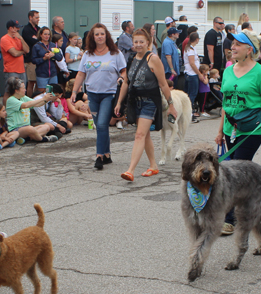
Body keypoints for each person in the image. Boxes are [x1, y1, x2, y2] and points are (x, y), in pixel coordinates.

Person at [215, 29, 261, 235]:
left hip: (252, 130)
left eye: (237, 44)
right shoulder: (228, 70)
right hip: (230, 129)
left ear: (249, 49)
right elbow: (226, 104)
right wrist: (220, 131)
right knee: (230, 171)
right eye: (232, 43)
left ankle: (229, 219)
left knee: (234, 173)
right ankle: (259, 205)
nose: (232, 47)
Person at [114, 29, 177, 182]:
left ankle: (130, 170)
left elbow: (163, 84)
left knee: (139, 135)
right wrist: (119, 102)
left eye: (142, 41)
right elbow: (126, 83)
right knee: (145, 134)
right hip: (135, 101)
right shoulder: (131, 59)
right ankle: (153, 165)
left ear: (148, 43)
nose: (138, 44)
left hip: (150, 101)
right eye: (136, 42)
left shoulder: (153, 59)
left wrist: (171, 105)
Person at [71, 23, 126, 170]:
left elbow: (124, 71)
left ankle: (99, 156)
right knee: (101, 127)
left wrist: (121, 78)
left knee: (101, 125)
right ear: (92, 37)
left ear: (106, 35)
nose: (100, 37)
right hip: (92, 95)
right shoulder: (88, 54)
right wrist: (74, 91)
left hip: (109, 94)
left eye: (102, 34)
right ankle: (107, 154)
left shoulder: (115, 53)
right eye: (97, 34)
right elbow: (81, 73)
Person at [5, 77, 58, 143]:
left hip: (28, 127)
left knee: (47, 126)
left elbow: (37, 104)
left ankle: (26, 139)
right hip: (16, 129)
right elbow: (25, 105)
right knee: (30, 129)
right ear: (16, 90)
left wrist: (46, 99)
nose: (25, 90)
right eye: (23, 88)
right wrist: (42, 98)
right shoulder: (11, 100)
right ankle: (44, 139)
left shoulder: (23, 97)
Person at [31, 26, 63, 92]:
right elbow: (34, 60)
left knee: (53, 92)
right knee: (42, 92)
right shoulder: (36, 46)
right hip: (42, 74)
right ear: (40, 35)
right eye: (45, 34)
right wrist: (44, 58)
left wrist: (54, 55)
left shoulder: (53, 45)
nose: (47, 36)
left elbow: (60, 57)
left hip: (53, 74)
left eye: (48, 34)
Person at [0, 20, 29, 84]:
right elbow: (15, 53)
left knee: (22, 90)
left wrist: (21, 38)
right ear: (11, 28)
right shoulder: (5, 39)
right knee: (10, 91)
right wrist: (22, 52)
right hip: (11, 71)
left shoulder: (18, 38)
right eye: (16, 27)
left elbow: (27, 50)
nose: (18, 29)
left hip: (21, 70)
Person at [183, 32, 202, 120]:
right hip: (192, 74)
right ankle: (189, 113)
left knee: (188, 93)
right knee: (192, 94)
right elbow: (192, 63)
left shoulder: (190, 48)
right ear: (197, 39)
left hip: (189, 73)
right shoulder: (190, 50)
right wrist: (199, 73)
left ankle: (186, 112)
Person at [22, 10, 40, 97]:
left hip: (39, 59)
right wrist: (37, 39)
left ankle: (35, 99)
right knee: (31, 81)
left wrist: (37, 39)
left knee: (38, 81)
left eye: (38, 17)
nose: (38, 19)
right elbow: (33, 42)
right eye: (36, 17)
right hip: (30, 60)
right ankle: (29, 100)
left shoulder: (38, 29)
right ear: (30, 17)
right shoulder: (26, 29)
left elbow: (40, 40)